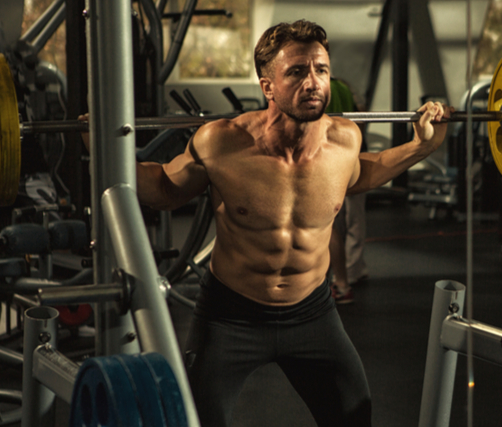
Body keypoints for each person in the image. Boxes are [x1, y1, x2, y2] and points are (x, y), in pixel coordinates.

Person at [83, 19, 451, 427]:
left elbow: (361, 175)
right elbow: (166, 189)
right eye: (297, 72)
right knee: (194, 421)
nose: (313, 83)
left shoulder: (345, 140)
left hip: (312, 313)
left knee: (354, 414)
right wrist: (104, 150)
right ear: (268, 86)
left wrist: (421, 146)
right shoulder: (221, 142)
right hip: (230, 315)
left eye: (321, 70)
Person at [326, 77, 368, 303]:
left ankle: (341, 279)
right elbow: (361, 114)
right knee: (353, 219)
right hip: (352, 154)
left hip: (331, 158)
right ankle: (352, 271)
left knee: (332, 223)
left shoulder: (320, 89)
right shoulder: (346, 86)